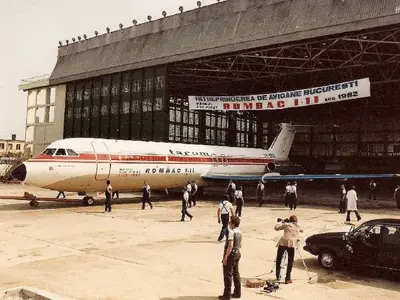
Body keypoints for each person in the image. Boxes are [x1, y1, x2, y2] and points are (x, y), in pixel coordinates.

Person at [274, 215, 303, 284]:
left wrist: (281, 222)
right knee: (290, 261)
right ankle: (287, 278)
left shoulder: (286, 225)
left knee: (279, 260)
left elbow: (276, 228)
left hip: (283, 243)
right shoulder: (298, 226)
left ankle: (278, 276)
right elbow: (301, 230)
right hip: (291, 245)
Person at [219, 216, 242, 300]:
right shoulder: (239, 232)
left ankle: (227, 295)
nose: (228, 224)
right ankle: (237, 292)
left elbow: (230, 245)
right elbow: (240, 244)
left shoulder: (231, 232)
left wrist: (225, 256)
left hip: (231, 254)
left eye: (229, 222)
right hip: (237, 253)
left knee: (227, 275)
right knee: (236, 273)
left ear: (232, 223)